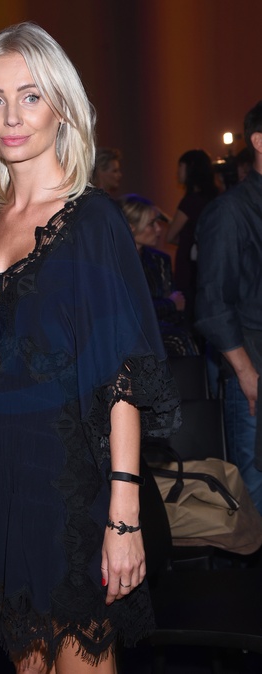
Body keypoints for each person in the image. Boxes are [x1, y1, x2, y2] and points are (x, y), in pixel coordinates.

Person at [0, 22, 180, 674]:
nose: (11, 116)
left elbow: (122, 377)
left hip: (72, 490)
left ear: (62, 106)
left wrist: (123, 518)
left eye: (30, 96)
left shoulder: (92, 221)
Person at [195, 100, 262, 516]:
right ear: (259, 142)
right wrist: (246, 373)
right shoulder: (230, 211)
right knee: (255, 491)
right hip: (252, 363)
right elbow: (213, 304)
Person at [118, 193, 199, 358]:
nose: (159, 229)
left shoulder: (160, 260)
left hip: (160, 335)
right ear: (131, 227)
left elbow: (178, 309)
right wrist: (170, 304)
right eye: (151, 224)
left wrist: (167, 306)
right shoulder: (113, 262)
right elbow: (127, 313)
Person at [166, 149, 219, 326]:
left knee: (189, 318)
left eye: (180, 167)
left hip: (189, 270)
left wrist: (185, 242)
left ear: (190, 168)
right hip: (209, 268)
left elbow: (171, 235)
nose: (177, 172)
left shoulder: (190, 201)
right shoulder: (216, 198)